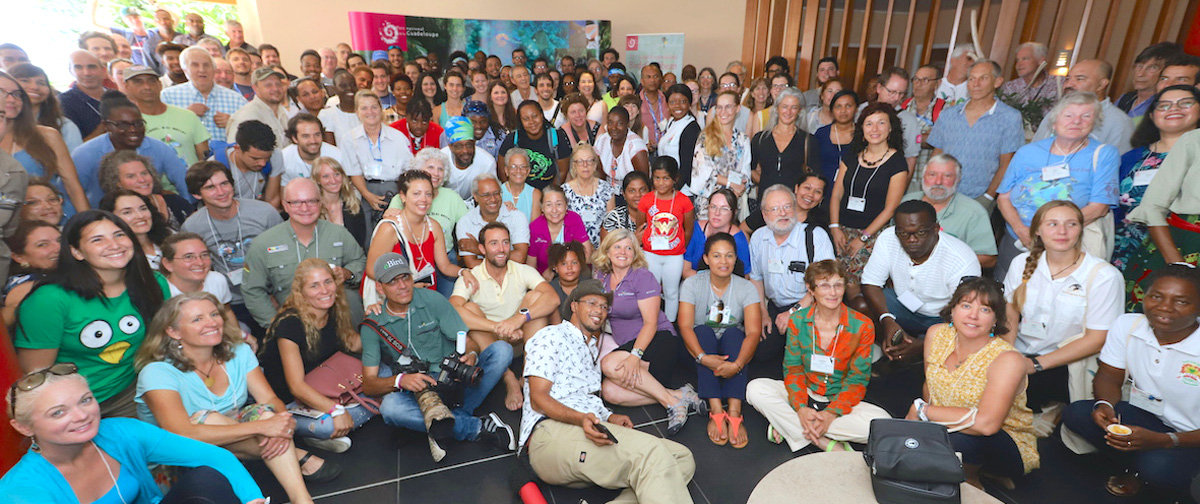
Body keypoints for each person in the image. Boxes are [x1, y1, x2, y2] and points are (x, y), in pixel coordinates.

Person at [134, 292, 333, 503]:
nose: (212, 322)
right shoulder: (157, 372)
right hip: (176, 460)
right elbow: (182, 434)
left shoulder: (238, 351)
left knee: (267, 414)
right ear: (173, 332)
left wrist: (282, 424)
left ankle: (302, 500)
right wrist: (263, 429)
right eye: (197, 319)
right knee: (209, 418)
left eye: (214, 314)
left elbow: (269, 399)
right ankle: (295, 455)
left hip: (234, 441)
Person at [520, 278, 696, 501]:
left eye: (604, 306)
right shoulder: (551, 336)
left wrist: (610, 417)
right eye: (592, 303)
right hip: (551, 435)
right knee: (652, 455)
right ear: (574, 305)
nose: (599, 310)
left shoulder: (591, 349)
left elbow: (583, 397)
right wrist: (581, 418)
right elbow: (538, 399)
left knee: (681, 458)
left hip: (587, 429)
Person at [1, 364, 266, 503]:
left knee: (206, 479)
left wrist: (252, 499)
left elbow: (215, 457)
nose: (81, 415)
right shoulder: (20, 490)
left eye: (85, 400)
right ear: (24, 427)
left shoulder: (120, 433)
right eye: (58, 412)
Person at [1062, 264, 1200, 500]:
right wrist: (1104, 405)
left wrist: (1165, 441)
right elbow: (1109, 375)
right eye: (1156, 296)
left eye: (1181, 301)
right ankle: (1139, 464)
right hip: (1150, 418)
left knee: (1156, 467)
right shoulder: (1128, 325)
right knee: (1077, 414)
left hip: (1192, 438)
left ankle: (1149, 471)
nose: (1165, 307)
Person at [14, 210, 169, 418]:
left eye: (119, 235)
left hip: (137, 390)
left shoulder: (152, 282)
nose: (114, 245)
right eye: (97, 239)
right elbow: (36, 377)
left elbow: (162, 342)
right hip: (75, 406)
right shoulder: (49, 300)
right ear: (77, 252)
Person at [359, 253, 516, 455]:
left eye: (405, 277)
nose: (402, 286)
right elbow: (369, 384)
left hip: (454, 379)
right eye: (393, 281)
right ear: (380, 288)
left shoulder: (432, 299)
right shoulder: (373, 324)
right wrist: (401, 380)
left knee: (503, 350)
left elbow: (468, 341)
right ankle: (474, 427)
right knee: (390, 408)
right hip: (418, 389)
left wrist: (471, 354)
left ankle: (441, 421)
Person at [907, 277, 1039, 488]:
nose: (973, 315)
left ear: (996, 319)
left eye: (985, 309)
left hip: (1002, 442)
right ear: (953, 309)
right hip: (949, 426)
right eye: (966, 305)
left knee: (961, 441)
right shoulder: (937, 334)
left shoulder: (1008, 359)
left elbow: (987, 425)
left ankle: (971, 481)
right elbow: (930, 387)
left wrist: (923, 411)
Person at [1001, 201, 1122, 431]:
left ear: (1081, 229)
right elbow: (1010, 313)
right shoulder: (1021, 263)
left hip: (1066, 363)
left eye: (1071, 224)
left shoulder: (1104, 276)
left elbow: (1098, 339)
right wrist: (1005, 355)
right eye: (1052, 224)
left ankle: (1052, 409)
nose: (1062, 232)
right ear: (1037, 230)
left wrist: (1035, 365)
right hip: (1021, 354)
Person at [746, 258, 887, 452]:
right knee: (755, 389)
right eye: (825, 286)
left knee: (882, 425)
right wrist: (801, 408)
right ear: (810, 290)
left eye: (838, 285)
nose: (833, 292)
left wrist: (831, 413)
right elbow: (793, 369)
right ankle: (824, 442)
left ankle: (786, 425)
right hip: (805, 393)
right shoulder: (798, 320)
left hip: (839, 400)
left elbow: (858, 379)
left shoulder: (862, 325)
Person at [997, 92, 1120, 280]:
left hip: (1066, 244)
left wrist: (1049, 233)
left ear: (1095, 122)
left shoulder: (1104, 154)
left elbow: (1099, 207)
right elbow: (1004, 197)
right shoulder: (1027, 152)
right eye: (1069, 115)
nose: (1076, 121)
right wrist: (1021, 230)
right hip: (1018, 239)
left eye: (1086, 116)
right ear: (1054, 121)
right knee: (1009, 289)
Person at [591, 229, 702, 433]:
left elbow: (651, 323)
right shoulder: (601, 277)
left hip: (658, 340)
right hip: (628, 344)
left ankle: (672, 403)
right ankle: (679, 394)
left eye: (628, 248)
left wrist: (635, 356)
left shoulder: (642, 277)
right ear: (607, 251)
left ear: (635, 253)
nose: (623, 252)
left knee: (609, 364)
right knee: (609, 392)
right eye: (617, 247)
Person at [258, 259, 375, 448]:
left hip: (327, 385)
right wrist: (336, 410)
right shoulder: (289, 324)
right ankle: (327, 427)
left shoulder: (333, 309)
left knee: (382, 373)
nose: (324, 290)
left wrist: (377, 321)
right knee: (330, 425)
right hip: (291, 401)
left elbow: (354, 344)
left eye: (328, 282)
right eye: (314, 285)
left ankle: (339, 422)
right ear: (301, 292)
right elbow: (296, 387)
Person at [450, 221, 559, 411]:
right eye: (494, 243)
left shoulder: (522, 270)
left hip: (520, 337)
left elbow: (553, 298)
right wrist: (497, 327)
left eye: (505, 242)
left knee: (536, 297)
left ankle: (528, 375)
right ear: (482, 249)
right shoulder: (472, 276)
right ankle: (508, 378)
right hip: (489, 342)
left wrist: (518, 320)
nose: (501, 249)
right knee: (469, 307)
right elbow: (453, 309)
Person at [862, 200, 982, 363]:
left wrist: (923, 345)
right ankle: (892, 350)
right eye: (903, 233)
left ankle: (920, 353)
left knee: (968, 327)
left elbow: (968, 315)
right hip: (904, 306)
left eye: (920, 232)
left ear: (936, 229)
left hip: (945, 317)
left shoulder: (961, 259)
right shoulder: (888, 238)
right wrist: (887, 320)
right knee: (862, 304)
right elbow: (871, 283)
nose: (911, 239)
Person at [243, 178, 366, 328]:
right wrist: (275, 324)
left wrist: (349, 273)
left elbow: (360, 261)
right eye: (296, 202)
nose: (305, 208)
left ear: (320, 203)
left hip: (340, 321)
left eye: (311, 201)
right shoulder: (264, 243)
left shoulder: (339, 234)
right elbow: (253, 290)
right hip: (293, 323)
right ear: (285, 205)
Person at [679, 233, 763, 447]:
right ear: (706, 258)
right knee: (703, 331)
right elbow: (685, 326)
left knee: (736, 334)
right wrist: (703, 357)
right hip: (699, 349)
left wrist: (738, 364)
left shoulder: (746, 287)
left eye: (729, 255)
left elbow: (754, 332)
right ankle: (716, 409)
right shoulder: (692, 283)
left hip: (731, 351)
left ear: (735, 259)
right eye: (716, 256)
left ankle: (734, 411)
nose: (723, 261)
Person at [180, 161, 282, 334]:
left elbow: (283, 254)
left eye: (224, 184)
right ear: (197, 194)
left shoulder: (264, 213)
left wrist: (278, 294)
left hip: (269, 294)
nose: (221, 192)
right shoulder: (192, 227)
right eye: (210, 187)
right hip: (229, 302)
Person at [1112, 86, 1200, 288]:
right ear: (1151, 115)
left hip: (1185, 245)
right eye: (1164, 105)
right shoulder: (1132, 157)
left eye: (1185, 103)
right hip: (1126, 248)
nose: (1174, 109)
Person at [749, 184, 835, 360]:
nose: (783, 213)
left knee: (809, 359)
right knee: (759, 355)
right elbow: (756, 278)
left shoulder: (815, 236)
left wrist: (793, 312)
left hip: (810, 306)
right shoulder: (758, 237)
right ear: (764, 214)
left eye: (787, 206)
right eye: (775, 209)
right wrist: (762, 312)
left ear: (795, 208)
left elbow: (827, 282)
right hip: (774, 307)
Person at [828, 102, 909, 286]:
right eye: (869, 123)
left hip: (873, 235)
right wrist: (834, 227)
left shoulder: (897, 163)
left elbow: (890, 209)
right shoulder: (851, 156)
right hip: (841, 230)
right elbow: (836, 195)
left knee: (855, 285)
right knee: (832, 280)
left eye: (881, 123)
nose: (875, 129)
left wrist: (863, 238)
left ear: (890, 128)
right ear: (862, 128)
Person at [927, 60, 1026, 209]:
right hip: (943, 193)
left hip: (980, 197)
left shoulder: (1010, 117)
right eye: (972, 79)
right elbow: (937, 154)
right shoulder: (948, 115)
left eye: (983, 78)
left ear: (997, 81)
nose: (976, 84)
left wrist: (988, 197)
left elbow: (1007, 163)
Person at [365, 168, 473, 293]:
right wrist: (407, 285)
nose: (424, 199)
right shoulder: (390, 228)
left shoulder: (434, 227)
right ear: (403, 196)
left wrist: (463, 271)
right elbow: (372, 270)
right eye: (417, 194)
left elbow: (445, 266)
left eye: (428, 194)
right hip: (397, 294)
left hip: (426, 294)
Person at [0, 70, 88, 215]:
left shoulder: (47, 136)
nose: (11, 99)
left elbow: (72, 186)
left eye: (16, 94)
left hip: (50, 217)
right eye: (2, 92)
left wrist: (89, 222)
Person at [901, 154, 998, 267]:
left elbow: (989, 259)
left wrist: (943, 263)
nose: (938, 182)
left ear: (958, 179)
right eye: (932, 175)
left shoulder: (974, 212)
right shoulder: (907, 201)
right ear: (923, 177)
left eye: (947, 176)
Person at [1032, 60, 1134, 153]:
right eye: (1067, 79)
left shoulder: (1119, 122)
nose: (1069, 84)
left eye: (1079, 79)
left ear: (1101, 84)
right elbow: (1034, 149)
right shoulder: (1057, 112)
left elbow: (1119, 162)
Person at [122, 64, 211, 167]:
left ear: (160, 84)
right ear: (126, 87)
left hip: (189, 176)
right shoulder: (124, 123)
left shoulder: (188, 116)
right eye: (138, 82)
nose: (147, 87)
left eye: (152, 81)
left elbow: (205, 158)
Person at [342, 90, 412, 220]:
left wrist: (400, 197)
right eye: (364, 108)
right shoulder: (349, 139)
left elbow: (408, 170)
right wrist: (367, 195)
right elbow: (354, 172)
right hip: (364, 190)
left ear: (381, 109)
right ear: (357, 112)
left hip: (395, 190)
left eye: (374, 107)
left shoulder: (398, 137)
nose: (370, 112)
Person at [639, 157, 694, 322]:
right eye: (657, 178)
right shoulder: (647, 199)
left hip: (674, 255)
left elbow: (688, 230)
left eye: (666, 178)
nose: (661, 183)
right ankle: (650, 322)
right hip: (651, 253)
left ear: (675, 178)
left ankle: (670, 324)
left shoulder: (684, 201)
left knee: (671, 292)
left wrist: (679, 247)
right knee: (651, 291)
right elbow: (640, 226)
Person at [161, 47, 250, 143]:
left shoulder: (236, 99)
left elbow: (252, 133)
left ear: (213, 69)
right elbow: (159, 131)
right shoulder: (168, 96)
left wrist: (233, 123)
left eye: (206, 65)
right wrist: (186, 116)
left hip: (227, 152)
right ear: (185, 69)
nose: (202, 70)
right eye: (195, 65)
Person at [691, 91, 751, 221]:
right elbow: (701, 173)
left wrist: (738, 189)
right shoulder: (705, 137)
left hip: (733, 202)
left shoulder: (743, 139)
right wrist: (731, 183)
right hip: (708, 205)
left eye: (728, 107)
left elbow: (745, 173)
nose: (723, 112)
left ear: (737, 108)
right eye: (719, 107)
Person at [97, 149, 192, 228]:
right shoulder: (113, 214)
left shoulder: (176, 202)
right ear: (117, 183)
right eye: (131, 176)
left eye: (144, 173)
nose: (142, 180)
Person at [8, 63, 85, 151]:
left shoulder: (64, 125)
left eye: (41, 83)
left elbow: (75, 157)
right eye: (25, 81)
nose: (35, 87)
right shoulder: (4, 123)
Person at [751, 87, 806, 203]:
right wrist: (767, 183)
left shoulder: (808, 140)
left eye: (794, 107)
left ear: (800, 111)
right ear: (776, 108)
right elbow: (749, 169)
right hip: (765, 200)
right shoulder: (760, 139)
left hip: (794, 202)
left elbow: (813, 176)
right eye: (784, 106)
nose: (788, 112)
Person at [498, 101, 570, 190]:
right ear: (520, 121)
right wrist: (511, 191)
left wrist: (550, 194)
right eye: (526, 119)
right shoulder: (513, 139)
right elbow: (501, 168)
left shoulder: (557, 137)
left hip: (548, 192)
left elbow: (562, 171)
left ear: (541, 115)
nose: (531, 122)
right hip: (520, 192)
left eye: (535, 116)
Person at [2, 221, 60, 330]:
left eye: (60, 240)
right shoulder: (26, 285)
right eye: (42, 244)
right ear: (19, 257)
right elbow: (10, 313)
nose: (58, 247)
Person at [682, 189, 751, 279]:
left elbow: (745, 276)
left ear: (734, 212)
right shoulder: (696, 229)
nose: (717, 213)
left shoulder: (738, 239)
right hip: (695, 282)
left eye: (724, 208)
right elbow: (685, 271)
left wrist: (718, 284)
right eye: (713, 207)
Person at [208, 118, 276, 205]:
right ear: (237, 149)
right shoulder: (213, 166)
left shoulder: (276, 156)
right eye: (255, 159)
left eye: (267, 158)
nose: (262, 163)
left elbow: (272, 199)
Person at [99, 189, 172, 270]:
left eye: (143, 209)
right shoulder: (117, 255)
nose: (140, 216)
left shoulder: (170, 238)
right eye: (127, 212)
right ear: (111, 218)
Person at [528, 184, 590, 275]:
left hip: (574, 273)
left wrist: (554, 270)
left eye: (559, 204)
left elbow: (587, 256)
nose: (554, 210)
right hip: (545, 278)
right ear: (542, 208)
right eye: (548, 205)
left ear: (566, 205)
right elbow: (531, 266)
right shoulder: (535, 227)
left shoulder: (574, 219)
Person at [311, 156, 370, 251]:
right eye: (326, 176)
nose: (333, 180)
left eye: (337, 174)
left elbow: (359, 244)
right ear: (317, 180)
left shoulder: (354, 205)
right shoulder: (310, 208)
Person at [562, 143, 615, 246]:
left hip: (602, 247)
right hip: (573, 247)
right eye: (580, 161)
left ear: (595, 165)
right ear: (574, 165)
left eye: (589, 161)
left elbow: (611, 225)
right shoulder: (564, 191)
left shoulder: (607, 189)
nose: (585, 165)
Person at [1117, 43, 1182, 118]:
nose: (1140, 74)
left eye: (1153, 68)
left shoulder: (1163, 108)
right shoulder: (1125, 98)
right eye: (1139, 66)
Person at [594, 105, 649, 193]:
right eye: (610, 123)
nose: (614, 128)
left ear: (627, 124)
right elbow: (599, 173)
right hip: (607, 191)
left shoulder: (636, 146)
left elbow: (643, 181)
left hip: (632, 194)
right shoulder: (602, 141)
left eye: (619, 123)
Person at [279, 113, 342, 188]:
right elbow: (283, 190)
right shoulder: (284, 158)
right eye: (306, 136)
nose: (313, 141)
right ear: (295, 138)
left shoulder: (337, 156)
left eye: (317, 135)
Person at [811, 88, 857, 188]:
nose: (843, 111)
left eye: (848, 106)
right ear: (832, 110)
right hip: (823, 188)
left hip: (853, 188)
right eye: (838, 106)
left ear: (856, 108)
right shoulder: (821, 134)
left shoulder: (863, 134)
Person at [658, 85, 702, 191]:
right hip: (666, 186)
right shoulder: (672, 122)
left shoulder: (691, 128)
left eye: (682, 102)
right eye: (672, 102)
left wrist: (672, 191)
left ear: (689, 103)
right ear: (667, 105)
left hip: (682, 190)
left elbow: (687, 168)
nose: (677, 106)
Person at [998, 42, 1058, 120]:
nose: (1019, 64)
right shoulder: (1009, 88)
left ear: (1041, 61)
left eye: (1025, 59)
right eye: (1017, 60)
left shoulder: (1059, 84)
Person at [442, 116, 496, 200]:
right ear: (450, 147)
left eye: (469, 145)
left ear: (474, 143)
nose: (465, 151)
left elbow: (492, 193)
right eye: (459, 146)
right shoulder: (440, 160)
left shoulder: (487, 162)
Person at [59, 51, 109, 140]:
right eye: (78, 67)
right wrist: (102, 129)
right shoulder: (63, 102)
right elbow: (72, 146)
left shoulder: (118, 97)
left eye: (92, 67)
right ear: (71, 71)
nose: (86, 73)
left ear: (103, 71)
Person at [600, 170, 650, 241]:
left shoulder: (658, 215)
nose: (638, 195)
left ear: (650, 192)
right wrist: (634, 242)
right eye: (632, 191)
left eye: (642, 190)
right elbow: (606, 247)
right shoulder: (614, 218)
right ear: (624, 194)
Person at [546, 241, 589, 322]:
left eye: (574, 263)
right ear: (555, 268)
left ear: (580, 265)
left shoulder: (589, 286)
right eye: (564, 264)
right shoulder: (550, 289)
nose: (569, 267)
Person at [317, 70, 361, 147]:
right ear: (335, 89)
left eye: (353, 85)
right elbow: (330, 148)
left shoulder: (366, 112)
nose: (349, 88)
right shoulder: (328, 114)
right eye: (343, 86)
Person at [499, 147, 543, 223]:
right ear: (506, 170)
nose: (518, 171)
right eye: (513, 166)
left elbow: (534, 227)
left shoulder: (535, 194)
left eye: (522, 167)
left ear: (528, 171)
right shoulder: (497, 193)